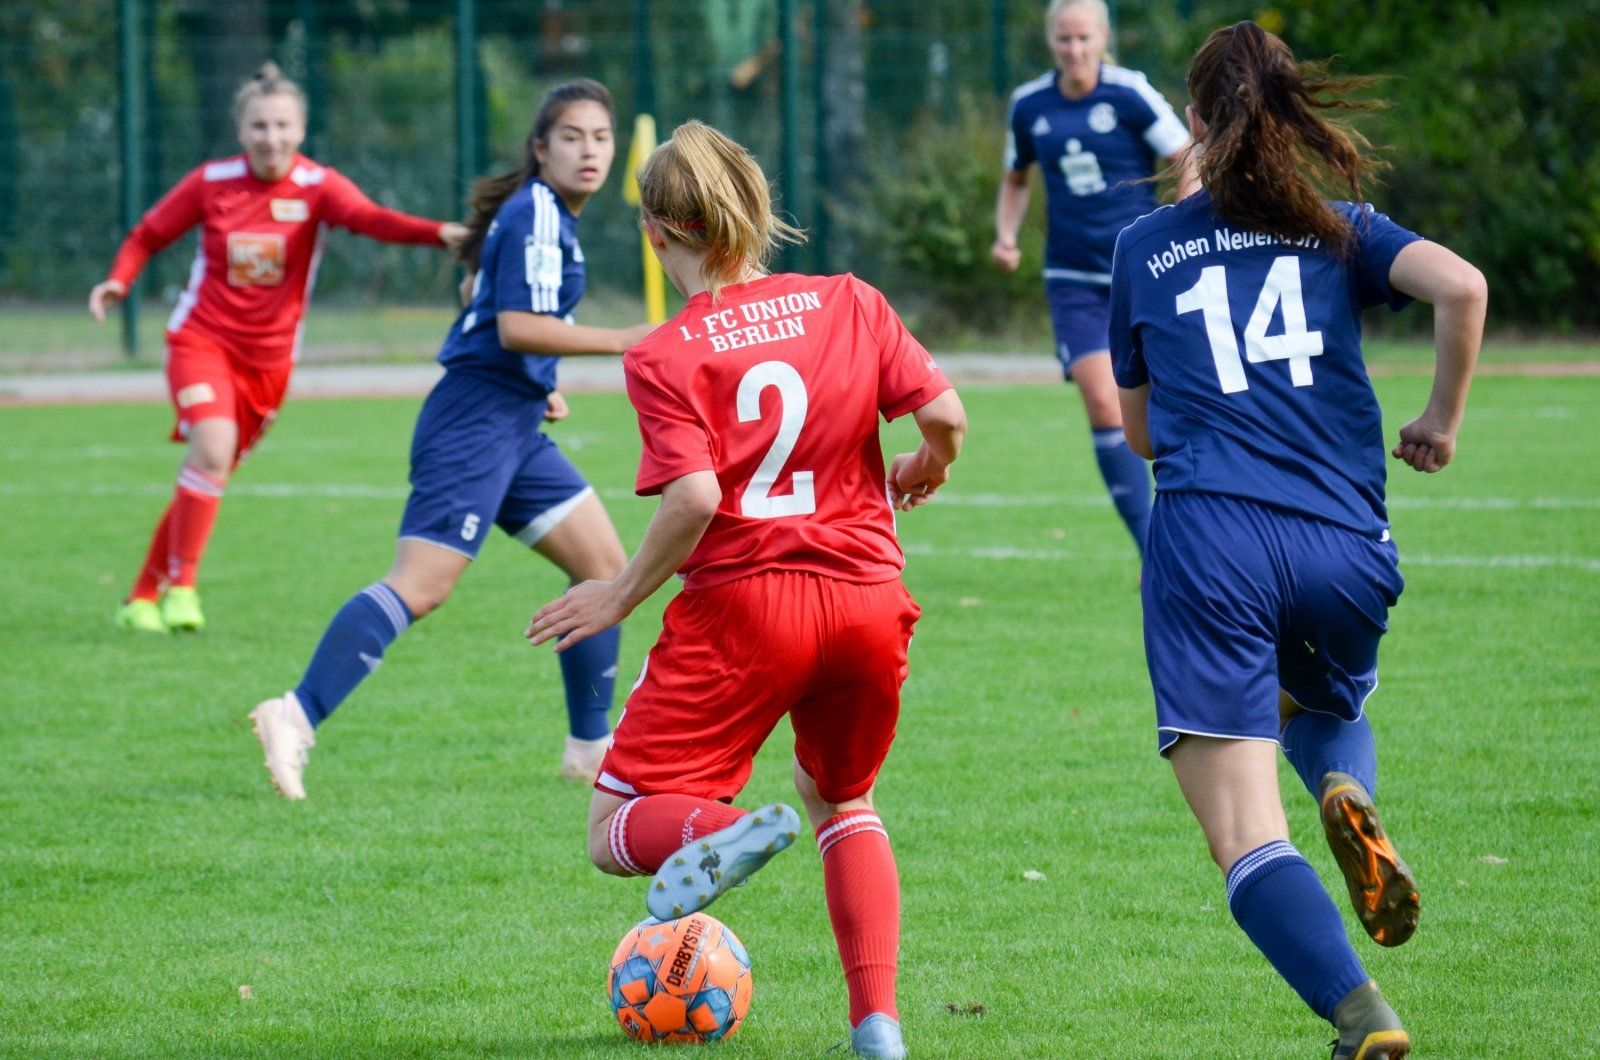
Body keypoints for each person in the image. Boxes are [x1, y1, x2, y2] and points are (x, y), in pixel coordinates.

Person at [525, 121, 966, 1059]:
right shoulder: (849, 299)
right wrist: (926, 465)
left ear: (654, 232)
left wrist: (618, 593)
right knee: (844, 800)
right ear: (757, 212)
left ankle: (723, 830)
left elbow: (694, 497)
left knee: (611, 829)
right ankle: (878, 1028)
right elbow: (945, 416)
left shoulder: (663, 352)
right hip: (867, 598)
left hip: (746, 612)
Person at [1109, 22, 1486, 1059]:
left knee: (1243, 832)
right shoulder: (1338, 228)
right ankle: (1341, 781)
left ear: (1194, 122)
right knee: (1321, 701)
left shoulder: (1144, 246)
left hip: (1210, 542)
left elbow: (1140, 433)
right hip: (1344, 543)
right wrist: (1439, 422)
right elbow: (1462, 286)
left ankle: (1362, 1015)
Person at [249, 79, 655, 799]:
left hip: (512, 421)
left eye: (600, 137)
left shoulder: (540, 212)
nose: (589, 151)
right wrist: (624, 338)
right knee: (422, 585)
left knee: (602, 568)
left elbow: (477, 296)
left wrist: (536, 381)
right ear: (540, 148)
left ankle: (591, 750)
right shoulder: (537, 211)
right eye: (571, 137)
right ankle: (295, 713)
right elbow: (515, 325)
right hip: (474, 424)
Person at [90, 62, 468, 634]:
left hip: (269, 364)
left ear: (302, 129)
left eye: (283, 125)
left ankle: (142, 596)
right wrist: (120, 280)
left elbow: (370, 219)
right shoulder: (212, 181)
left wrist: (437, 233)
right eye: (260, 126)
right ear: (241, 130)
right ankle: (183, 590)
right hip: (201, 341)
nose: (272, 138)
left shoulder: (318, 186)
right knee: (212, 450)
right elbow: (148, 234)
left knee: (208, 472)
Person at [992, 0, 1194, 558]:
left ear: (1104, 37)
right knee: (1105, 404)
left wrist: (1184, 228)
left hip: (1145, 276)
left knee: (1179, 401)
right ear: (1050, 40)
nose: (1074, 49)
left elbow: (1188, 156)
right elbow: (1016, 179)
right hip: (1072, 279)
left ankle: (1198, 529)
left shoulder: (1130, 93)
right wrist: (1005, 235)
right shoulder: (1029, 104)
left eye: (1084, 38)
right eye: (1064, 39)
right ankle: (1154, 551)